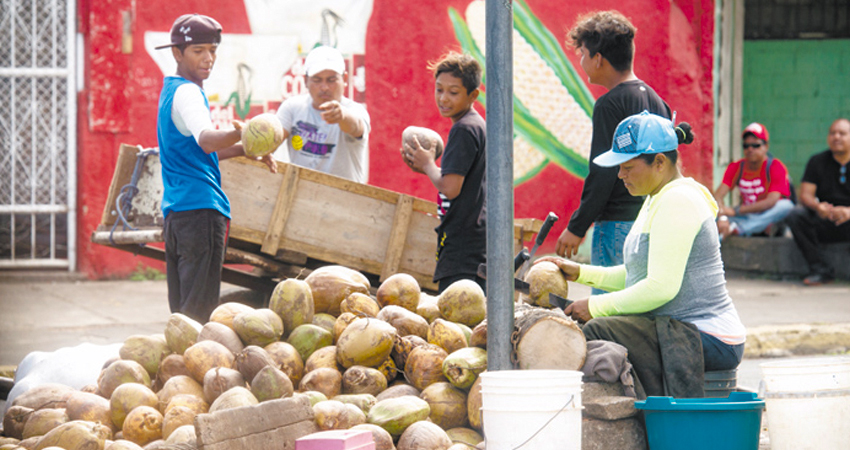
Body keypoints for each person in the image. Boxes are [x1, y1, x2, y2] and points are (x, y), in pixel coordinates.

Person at [538, 111, 746, 399]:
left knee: (598, 329)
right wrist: (580, 272)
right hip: (679, 330)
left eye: (627, 167)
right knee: (594, 328)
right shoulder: (655, 198)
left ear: (659, 162)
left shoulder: (678, 200)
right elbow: (637, 274)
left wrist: (596, 307)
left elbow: (660, 287)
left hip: (709, 338)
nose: (620, 175)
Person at [156, 14, 277, 323]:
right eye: (199, 50)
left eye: (212, 50)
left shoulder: (170, 91)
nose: (208, 58)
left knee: (182, 315)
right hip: (201, 214)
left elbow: (196, 151)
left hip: (177, 215)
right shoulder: (188, 93)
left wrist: (245, 150)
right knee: (198, 316)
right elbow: (207, 141)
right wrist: (243, 132)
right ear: (177, 52)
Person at [556, 11, 672, 292]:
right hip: (647, 219)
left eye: (582, 53)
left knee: (608, 306)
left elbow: (604, 172)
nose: (581, 61)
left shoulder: (609, 105)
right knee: (636, 298)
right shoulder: (658, 101)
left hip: (616, 225)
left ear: (598, 59)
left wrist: (577, 226)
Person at [402, 52, 486, 294]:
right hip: (474, 244)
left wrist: (428, 164)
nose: (443, 98)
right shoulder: (475, 125)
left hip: (463, 247)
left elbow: (450, 187)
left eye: (453, 92)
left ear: (473, 95)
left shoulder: (464, 130)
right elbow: (458, 180)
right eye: (439, 90)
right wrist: (426, 166)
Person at [273, 46, 371, 183]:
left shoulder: (355, 110)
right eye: (317, 80)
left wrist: (342, 116)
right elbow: (272, 140)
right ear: (306, 81)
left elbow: (357, 126)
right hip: (299, 197)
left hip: (344, 199)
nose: (324, 87)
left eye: (331, 80)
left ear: (345, 79)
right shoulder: (292, 108)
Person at [784, 118, 850, 286]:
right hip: (825, 220)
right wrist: (818, 206)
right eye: (832, 133)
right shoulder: (817, 161)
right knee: (795, 215)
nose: (836, 137)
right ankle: (820, 269)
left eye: (842, 133)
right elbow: (805, 195)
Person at [713, 122, 794, 239]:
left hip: (768, 215)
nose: (750, 149)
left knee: (786, 206)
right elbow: (718, 196)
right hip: (746, 216)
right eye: (746, 146)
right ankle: (747, 227)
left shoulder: (776, 166)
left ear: (766, 146)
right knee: (709, 216)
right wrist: (723, 217)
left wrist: (736, 210)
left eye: (756, 145)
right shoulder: (736, 167)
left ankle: (740, 229)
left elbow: (771, 201)